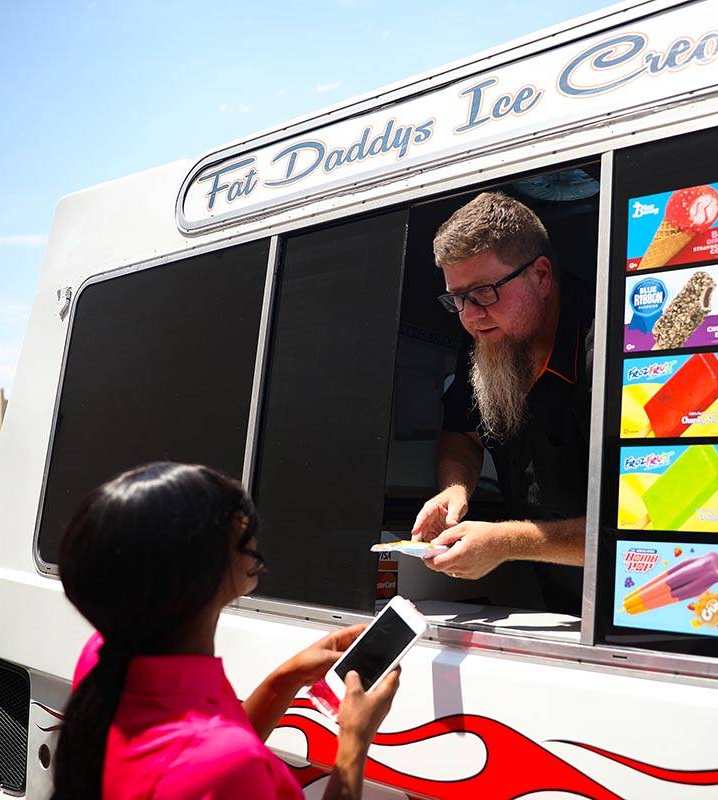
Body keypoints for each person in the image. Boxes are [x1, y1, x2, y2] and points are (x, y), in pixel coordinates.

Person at [53, 462, 399, 800]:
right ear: (197, 573)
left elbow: (214, 741)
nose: (249, 526)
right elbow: (218, 760)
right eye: (232, 524)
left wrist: (287, 678)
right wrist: (354, 741)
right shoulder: (227, 767)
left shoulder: (105, 653)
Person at [411, 191, 591, 614]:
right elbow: (461, 433)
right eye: (456, 298)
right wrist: (455, 488)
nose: (470, 315)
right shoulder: (484, 333)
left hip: (650, 603)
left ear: (541, 275)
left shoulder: (613, 347)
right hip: (555, 601)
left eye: (484, 292)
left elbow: (648, 523)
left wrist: (506, 542)